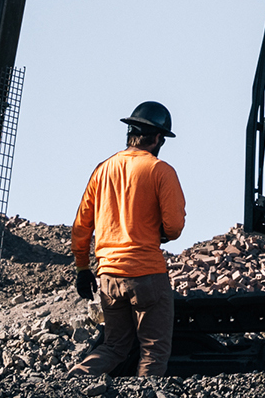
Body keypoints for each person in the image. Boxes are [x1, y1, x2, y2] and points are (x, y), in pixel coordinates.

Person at [71, 101, 186, 377]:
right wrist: (161, 233)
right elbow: (174, 226)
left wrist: (82, 269)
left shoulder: (102, 170)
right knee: (154, 349)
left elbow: (81, 226)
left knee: (114, 346)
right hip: (147, 273)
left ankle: (75, 380)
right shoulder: (160, 170)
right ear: (158, 138)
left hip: (109, 276)